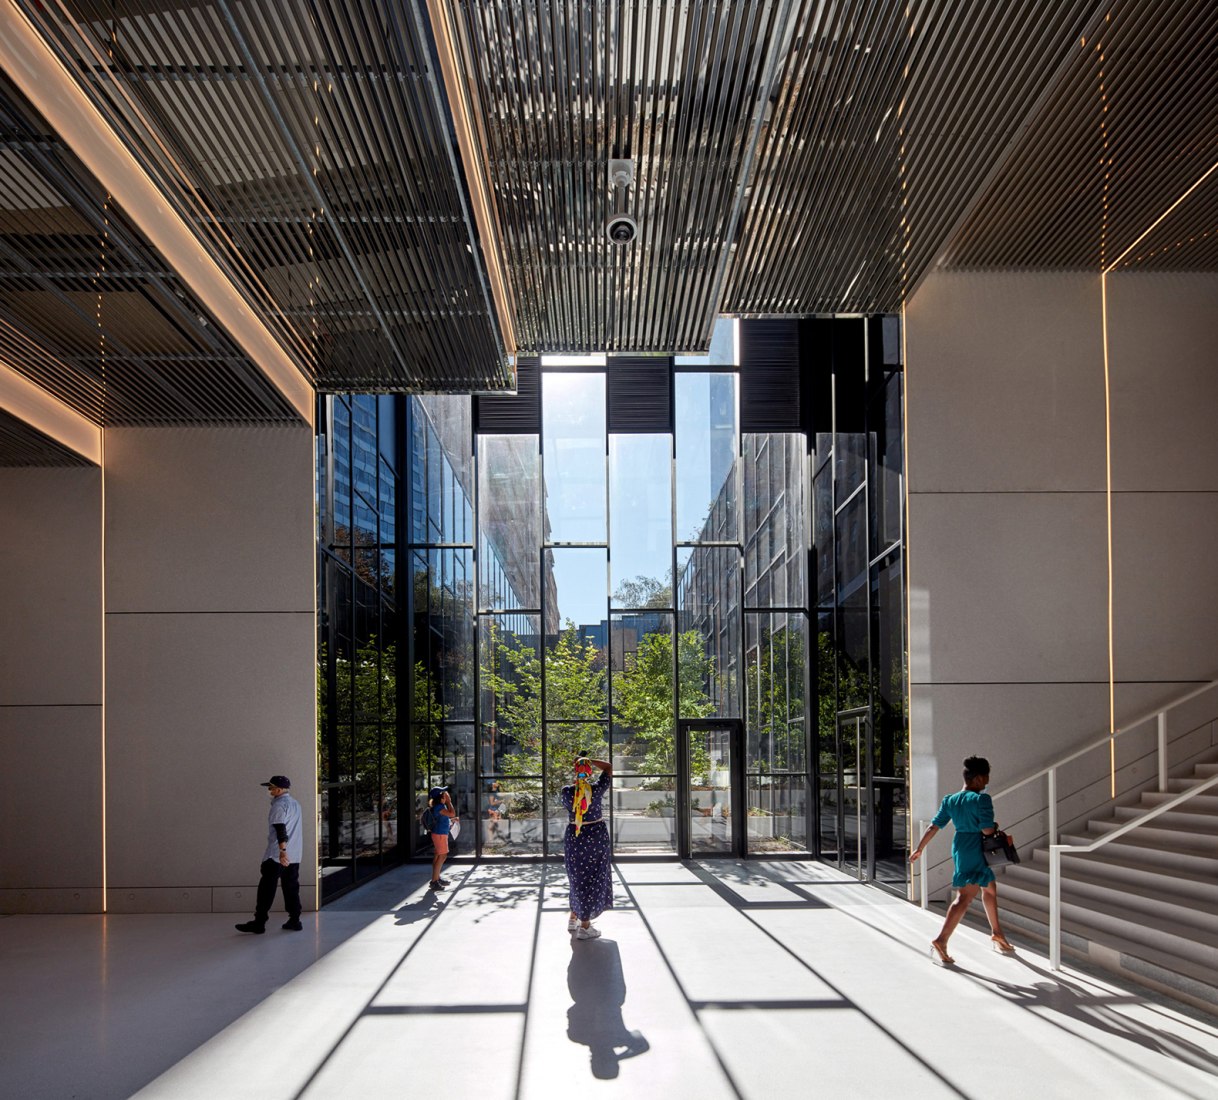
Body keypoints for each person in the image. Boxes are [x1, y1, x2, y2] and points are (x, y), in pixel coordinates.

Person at [909, 755, 1016, 964]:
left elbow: (934, 826)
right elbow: (986, 829)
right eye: (986, 778)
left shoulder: (950, 800)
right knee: (964, 897)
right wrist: (994, 827)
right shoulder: (981, 799)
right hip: (975, 848)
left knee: (990, 888)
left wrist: (919, 848)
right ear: (977, 778)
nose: (987, 782)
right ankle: (941, 940)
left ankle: (997, 933)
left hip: (961, 846)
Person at [236, 775, 303, 934]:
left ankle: (259, 922)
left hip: (277, 855)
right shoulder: (296, 804)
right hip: (294, 854)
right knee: (291, 887)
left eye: (271, 787)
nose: (269, 790)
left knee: (267, 888)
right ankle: (295, 919)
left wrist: (282, 852)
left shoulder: (278, 806)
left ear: (279, 790)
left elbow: (281, 830)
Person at [561, 756, 614, 939]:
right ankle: (585, 926)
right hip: (596, 837)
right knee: (593, 878)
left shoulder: (567, 792)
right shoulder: (596, 790)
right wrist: (589, 759)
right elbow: (608, 768)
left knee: (576, 877)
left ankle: (573, 917)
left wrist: (582, 762)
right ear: (589, 771)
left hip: (575, 837)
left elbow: (573, 804)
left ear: (576, 771)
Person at [427, 785, 457, 890]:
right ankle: (434, 881)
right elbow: (452, 813)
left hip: (439, 833)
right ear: (440, 797)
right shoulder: (440, 807)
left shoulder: (440, 807)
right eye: (444, 795)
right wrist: (449, 802)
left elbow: (445, 819)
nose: (446, 796)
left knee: (438, 856)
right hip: (440, 835)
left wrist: (452, 820)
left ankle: (436, 878)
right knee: (442, 856)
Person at [486, 780, 504, 845]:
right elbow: (492, 803)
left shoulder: (496, 792)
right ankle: (490, 841)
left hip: (497, 810)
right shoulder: (491, 793)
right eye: (494, 782)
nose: (496, 783)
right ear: (492, 785)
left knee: (496, 825)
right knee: (491, 826)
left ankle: (493, 841)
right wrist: (500, 801)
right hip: (493, 811)